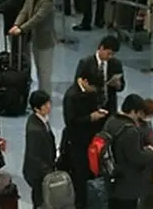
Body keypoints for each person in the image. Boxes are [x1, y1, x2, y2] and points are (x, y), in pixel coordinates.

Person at [103, 93, 153, 209]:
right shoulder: (131, 131)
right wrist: (151, 152)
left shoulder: (111, 121)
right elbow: (137, 157)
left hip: (112, 175)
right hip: (127, 182)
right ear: (133, 111)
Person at [9, 0, 56, 94]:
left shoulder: (48, 0)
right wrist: (16, 24)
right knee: (36, 68)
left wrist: (22, 29)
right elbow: (24, 12)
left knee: (44, 73)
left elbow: (37, 18)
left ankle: (45, 99)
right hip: (34, 39)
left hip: (45, 42)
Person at [62, 75, 104, 209]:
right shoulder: (71, 96)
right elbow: (71, 121)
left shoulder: (89, 92)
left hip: (89, 140)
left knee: (88, 172)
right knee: (80, 173)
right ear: (85, 81)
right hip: (77, 142)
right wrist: (90, 118)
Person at [74, 35, 125, 115]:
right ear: (101, 48)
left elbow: (122, 86)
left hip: (109, 108)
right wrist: (86, 88)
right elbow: (77, 84)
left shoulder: (116, 64)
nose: (110, 57)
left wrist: (118, 85)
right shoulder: (86, 63)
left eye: (113, 54)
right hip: (90, 108)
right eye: (108, 53)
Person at [23, 90, 56, 208]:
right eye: (45, 105)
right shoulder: (35, 130)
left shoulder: (41, 120)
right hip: (38, 173)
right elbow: (33, 155)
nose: (49, 107)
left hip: (45, 167)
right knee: (40, 200)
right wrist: (47, 171)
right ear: (37, 108)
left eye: (48, 103)